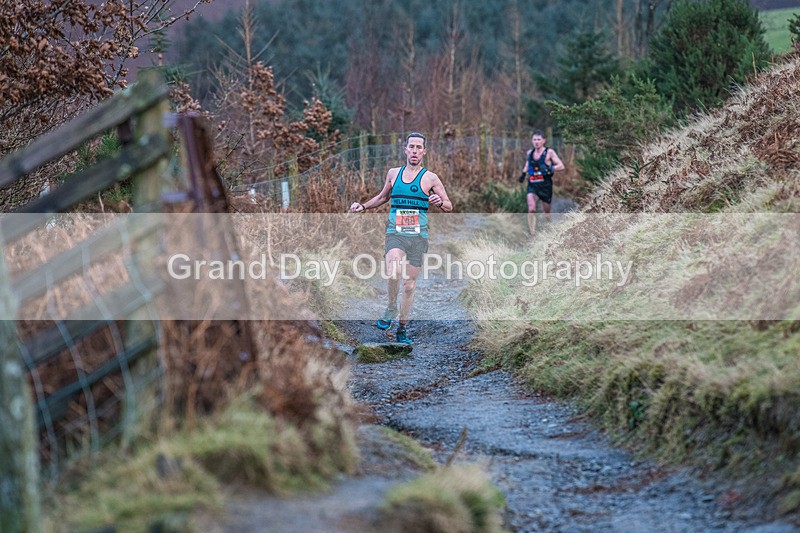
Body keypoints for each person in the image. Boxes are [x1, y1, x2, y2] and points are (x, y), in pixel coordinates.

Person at [350, 132, 452, 344]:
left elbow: (449, 205)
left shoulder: (430, 178)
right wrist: (363, 207)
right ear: (405, 149)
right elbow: (382, 197)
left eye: (418, 147)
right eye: (411, 147)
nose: (414, 151)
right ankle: (390, 306)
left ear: (424, 151)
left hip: (418, 237)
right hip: (395, 233)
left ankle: (402, 329)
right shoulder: (393, 174)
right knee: (393, 270)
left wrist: (439, 202)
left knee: (409, 285)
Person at [518, 129, 565, 235]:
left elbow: (561, 166)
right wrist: (523, 173)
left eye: (539, 139)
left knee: (546, 213)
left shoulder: (549, 152)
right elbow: (527, 164)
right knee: (531, 208)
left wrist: (550, 168)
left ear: (544, 140)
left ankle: (549, 230)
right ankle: (532, 233)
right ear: (532, 141)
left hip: (545, 185)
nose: (536, 142)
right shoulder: (530, 153)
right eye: (534, 139)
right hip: (533, 185)